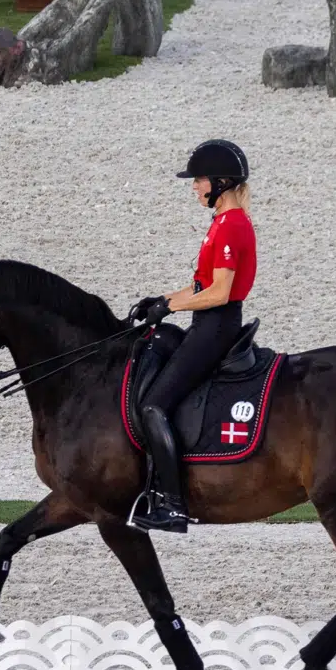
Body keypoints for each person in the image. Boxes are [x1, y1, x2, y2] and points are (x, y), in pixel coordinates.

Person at [130, 139, 256, 533]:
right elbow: (200, 286)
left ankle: (173, 504)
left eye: (199, 179)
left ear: (220, 182)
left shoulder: (233, 225)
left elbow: (219, 293)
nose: (194, 186)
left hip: (216, 327)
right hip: (206, 322)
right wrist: (161, 299)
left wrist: (171, 308)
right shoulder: (219, 223)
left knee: (153, 407)